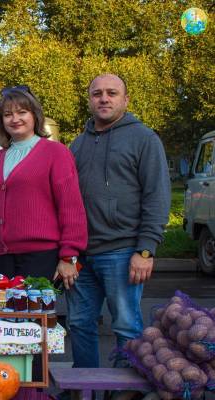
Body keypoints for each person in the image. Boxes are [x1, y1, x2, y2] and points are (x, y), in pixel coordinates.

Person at [68, 73, 171, 368]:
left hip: (123, 252)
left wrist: (145, 250)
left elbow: (158, 197)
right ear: (89, 100)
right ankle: (83, 388)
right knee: (79, 325)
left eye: (112, 93)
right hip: (81, 255)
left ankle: (124, 390)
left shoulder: (144, 139)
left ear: (125, 100)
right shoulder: (78, 144)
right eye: (97, 93)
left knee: (126, 327)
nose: (104, 98)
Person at [0, 86, 87, 287]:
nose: (14, 119)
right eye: (7, 114)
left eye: (22, 112)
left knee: (35, 318)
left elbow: (71, 207)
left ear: (35, 115)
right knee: (2, 317)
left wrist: (68, 256)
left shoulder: (55, 153)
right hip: (1, 257)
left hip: (40, 257)